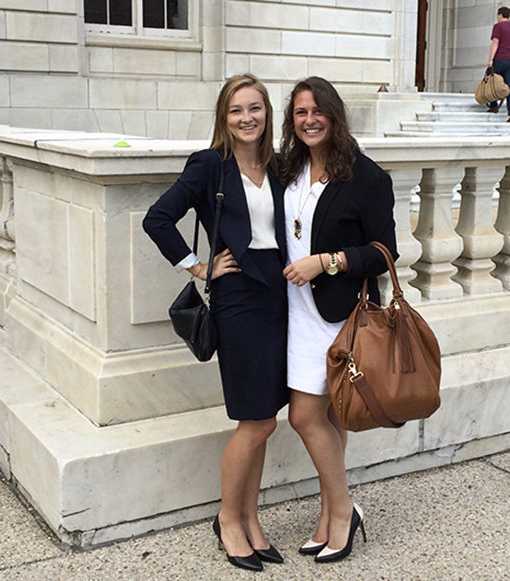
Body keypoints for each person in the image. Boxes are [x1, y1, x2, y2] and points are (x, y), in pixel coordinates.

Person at [143, 74, 289, 572]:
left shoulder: (279, 165)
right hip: (240, 298)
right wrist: (197, 265)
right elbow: (157, 218)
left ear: (267, 113)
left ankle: (251, 519)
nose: (247, 118)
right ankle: (229, 518)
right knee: (258, 419)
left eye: (255, 108)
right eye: (236, 111)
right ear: (223, 119)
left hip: (283, 295)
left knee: (266, 417)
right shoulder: (210, 164)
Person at [280, 77, 398, 563]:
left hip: (337, 318)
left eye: (317, 111)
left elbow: (386, 251)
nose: (309, 120)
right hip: (292, 312)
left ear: (334, 115)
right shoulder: (288, 169)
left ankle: (343, 510)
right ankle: (332, 515)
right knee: (326, 416)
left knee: (304, 415)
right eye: (300, 112)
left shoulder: (365, 177)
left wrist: (326, 262)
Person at [486, 6, 510, 122]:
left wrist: (491, 59)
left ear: (500, 15)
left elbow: (495, 43)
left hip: (500, 58)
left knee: (491, 80)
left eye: (497, 15)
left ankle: (494, 105)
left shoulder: (498, 26)